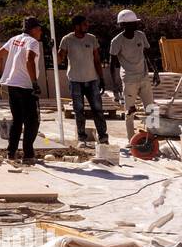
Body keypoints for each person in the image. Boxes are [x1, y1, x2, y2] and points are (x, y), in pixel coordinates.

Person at [0, 16, 43, 165]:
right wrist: (34, 83)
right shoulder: (33, 42)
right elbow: (29, 60)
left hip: (12, 85)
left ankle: (11, 152)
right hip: (25, 86)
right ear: (33, 29)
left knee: (17, 120)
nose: (41, 32)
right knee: (32, 121)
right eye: (39, 29)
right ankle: (28, 154)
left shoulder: (14, 39)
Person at [109, 9, 159, 143]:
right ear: (123, 25)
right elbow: (112, 64)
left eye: (135, 23)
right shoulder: (117, 41)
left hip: (143, 78)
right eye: (132, 23)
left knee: (151, 110)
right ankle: (131, 141)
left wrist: (155, 72)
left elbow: (149, 53)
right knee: (130, 112)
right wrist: (115, 86)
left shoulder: (141, 35)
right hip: (129, 80)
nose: (136, 25)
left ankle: (151, 139)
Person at [57, 14, 108, 145]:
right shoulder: (67, 40)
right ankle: (82, 137)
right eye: (84, 24)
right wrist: (54, 50)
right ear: (76, 26)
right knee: (79, 110)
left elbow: (97, 60)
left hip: (92, 80)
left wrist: (101, 78)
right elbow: (59, 59)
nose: (87, 26)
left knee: (98, 109)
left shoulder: (91, 39)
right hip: (75, 81)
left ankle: (103, 136)